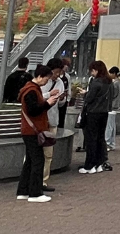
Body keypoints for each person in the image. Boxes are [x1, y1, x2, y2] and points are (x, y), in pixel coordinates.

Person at [17, 65, 61, 202]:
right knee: (38, 161)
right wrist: (48, 103)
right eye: (46, 79)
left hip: (30, 130)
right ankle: (35, 193)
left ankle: (23, 190)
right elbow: (33, 110)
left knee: (30, 161)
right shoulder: (31, 91)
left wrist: (47, 103)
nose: (47, 82)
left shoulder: (30, 89)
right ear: (40, 77)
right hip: (32, 130)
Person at [78, 61, 112, 174]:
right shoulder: (108, 82)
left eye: (92, 70)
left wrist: (85, 94)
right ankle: (99, 163)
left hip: (93, 113)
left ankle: (89, 165)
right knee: (100, 138)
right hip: (104, 112)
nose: (91, 73)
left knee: (91, 139)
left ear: (96, 70)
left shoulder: (96, 82)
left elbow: (89, 98)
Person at [39, 58, 66, 191]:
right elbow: (36, 97)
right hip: (40, 121)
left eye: (59, 72)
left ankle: (43, 181)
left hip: (52, 120)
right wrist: (49, 94)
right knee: (35, 152)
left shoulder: (60, 82)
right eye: (56, 72)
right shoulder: (42, 80)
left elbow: (61, 103)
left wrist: (62, 99)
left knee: (48, 153)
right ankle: (30, 179)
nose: (57, 75)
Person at [105, 66, 120, 151]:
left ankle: (108, 143)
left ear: (114, 74)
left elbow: (112, 95)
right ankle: (112, 143)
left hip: (112, 106)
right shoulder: (118, 82)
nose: (110, 75)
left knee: (109, 126)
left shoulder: (114, 84)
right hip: (115, 106)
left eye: (111, 73)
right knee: (112, 125)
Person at [57, 57, 72, 129]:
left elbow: (69, 87)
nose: (66, 67)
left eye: (67, 65)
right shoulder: (56, 75)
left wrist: (68, 99)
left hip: (63, 100)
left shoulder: (67, 76)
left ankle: (61, 129)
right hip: (55, 99)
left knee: (62, 117)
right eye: (65, 65)